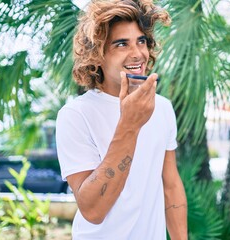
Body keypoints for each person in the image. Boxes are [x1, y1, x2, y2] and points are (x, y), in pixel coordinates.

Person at [55, 0, 188, 239]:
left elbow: (171, 186)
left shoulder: (163, 108)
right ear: (96, 55)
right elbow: (92, 210)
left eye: (141, 41)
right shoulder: (75, 115)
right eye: (121, 44)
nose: (137, 53)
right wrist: (129, 124)